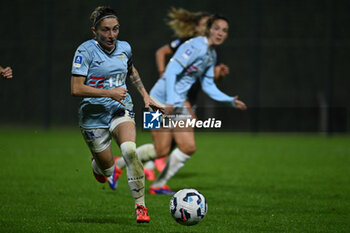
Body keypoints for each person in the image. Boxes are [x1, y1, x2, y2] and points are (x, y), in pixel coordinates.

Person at [70, 6, 162, 223]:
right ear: (95, 31)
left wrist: (145, 95)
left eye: (115, 29)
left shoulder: (125, 48)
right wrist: (108, 92)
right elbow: (76, 88)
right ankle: (98, 165)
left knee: (130, 151)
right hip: (93, 117)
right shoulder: (84, 51)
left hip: (121, 108)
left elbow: (131, 70)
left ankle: (141, 207)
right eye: (105, 30)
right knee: (107, 172)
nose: (111, 35)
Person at [147, 14, 247, 194]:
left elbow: (209, 85)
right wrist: (169, 100)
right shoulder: (194, 45)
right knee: (162, 150)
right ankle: (121, 163)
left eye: (224, 31)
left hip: (176, 101)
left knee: (180, 148)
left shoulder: (211, 53)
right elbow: (171, 72)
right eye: (217, 28)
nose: (220, 33)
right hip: (158, 99)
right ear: (208, 29)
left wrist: (230, 101)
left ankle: (157, 184)